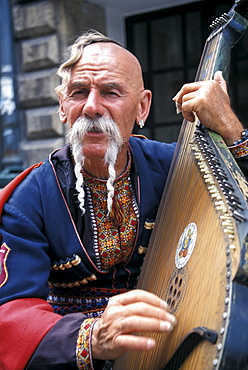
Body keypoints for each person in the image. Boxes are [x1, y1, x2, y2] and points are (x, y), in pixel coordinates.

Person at [0, 30, 247, 370]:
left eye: (111, 92)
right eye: (78, 92)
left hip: (174, 347)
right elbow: (10, 312)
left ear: (142, 106)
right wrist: (93, 336)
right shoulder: (30, 197)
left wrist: (233, 131)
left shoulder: (175, 167)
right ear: (62, 106)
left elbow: (239, 203)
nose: (91, 107)